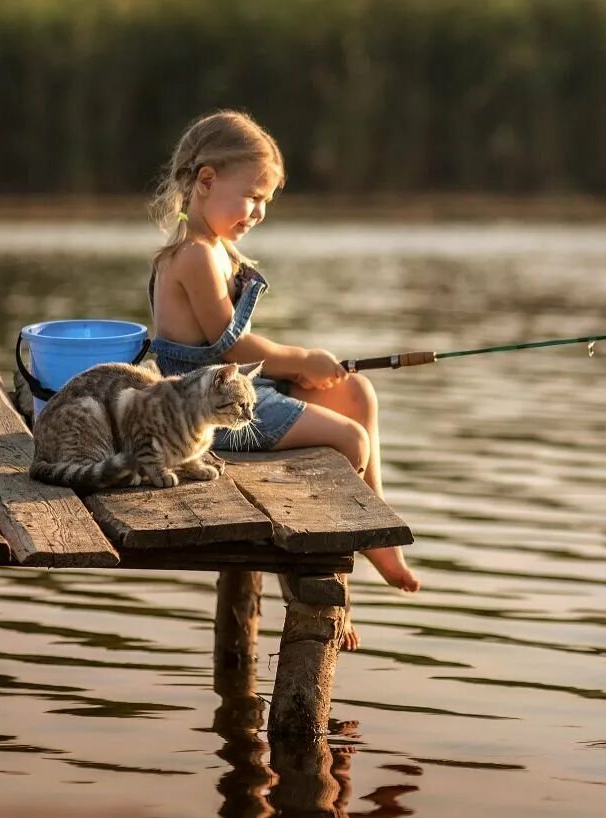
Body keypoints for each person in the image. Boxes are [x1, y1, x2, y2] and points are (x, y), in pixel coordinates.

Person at [146, 109, 419, 594]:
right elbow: (232, 344)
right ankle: (321, 567)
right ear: (206, 180)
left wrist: (303, 368)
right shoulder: (193, 255)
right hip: (210, 414)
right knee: (352, 441)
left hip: (234, 386)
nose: (259, 212)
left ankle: (379, 535)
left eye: (266, 201)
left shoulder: (214, 245)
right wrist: (303, 359)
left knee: (357, 393)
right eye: (252, 197)